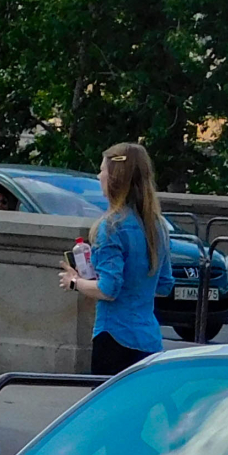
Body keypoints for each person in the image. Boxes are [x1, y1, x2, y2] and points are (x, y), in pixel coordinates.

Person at [57, 141, 173, 375]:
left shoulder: (111, 227)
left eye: (102, 170)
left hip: (114, 337)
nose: (99, 175)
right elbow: (164, 284)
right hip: (149, 338)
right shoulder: (157, 225)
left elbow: (109, 289)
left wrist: (75, 282)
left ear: (114, 178)